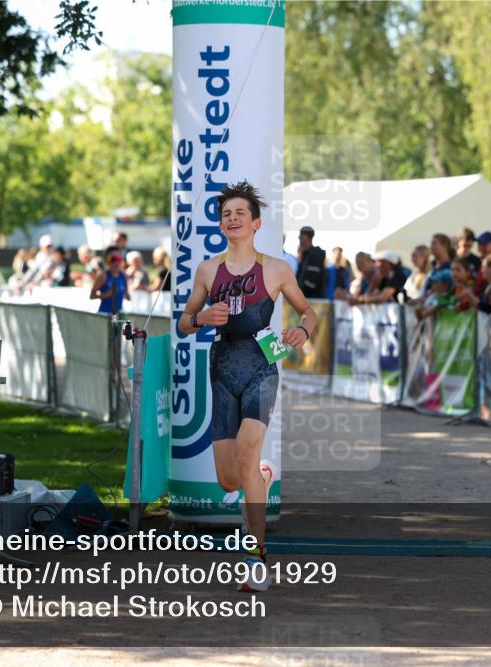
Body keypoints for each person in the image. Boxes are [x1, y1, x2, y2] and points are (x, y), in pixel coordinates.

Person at [177, 181, 316, 592]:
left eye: (240, 213)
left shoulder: (276, 269)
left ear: (256, 223)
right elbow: (185, 322)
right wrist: (202, 318)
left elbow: (307, 312)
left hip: (261, 367)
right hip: (221, 368)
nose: (232, 219)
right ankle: (261, 479)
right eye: (226, 214)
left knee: (246, 455)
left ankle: (255, 560)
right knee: (229, 480)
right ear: (221, 225)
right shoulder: (207, 270)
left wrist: (302, 331)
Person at [90, 248, 128, 314]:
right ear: (107, 260)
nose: (116, 262)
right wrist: (107, 294)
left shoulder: (123, 275)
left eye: (118, 259)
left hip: (118, 314)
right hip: (104, 315)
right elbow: (92, 296)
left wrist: (127, 295)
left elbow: (126, 294)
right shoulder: (104, 275)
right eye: (113, 259)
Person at [296, 225, 327, 299]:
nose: (299, 237)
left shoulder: (315, 255)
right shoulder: (305, 255)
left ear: (306, 237)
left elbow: (311, 283)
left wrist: (297, 294)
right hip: (304, 298)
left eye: (301, 235)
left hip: (311, 299)